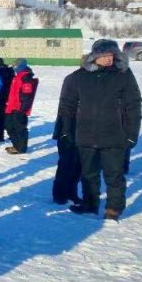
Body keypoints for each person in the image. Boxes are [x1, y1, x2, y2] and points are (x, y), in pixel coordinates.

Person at [57, 39, 142, 221]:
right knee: (88, 175)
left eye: (111, 55)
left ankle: (113, 208)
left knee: (114, 175)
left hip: (114, 135)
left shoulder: (123, 75)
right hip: (86, 135)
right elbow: (67, 105)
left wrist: (132, 134)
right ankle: (90, 204)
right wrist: (66, 130)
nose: (108, 59)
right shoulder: (79, 77)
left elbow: (133, 105)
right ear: (95, 57)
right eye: (104, 55)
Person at [52, 56, 85, 204]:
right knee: (66, 163)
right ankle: (59, 194)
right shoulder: (73, 79)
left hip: (85, 129)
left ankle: (72, 192)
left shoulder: (95, 82)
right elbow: (65, 106)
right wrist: (65, 130)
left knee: (79, 165)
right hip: (69, 128)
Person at [4, 59, 38, 155]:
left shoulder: (26, 77)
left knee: (20, 128)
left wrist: (22, 109)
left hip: (19, 108)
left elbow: (27, 96)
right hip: (11, 106)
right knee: (9, 125)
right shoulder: (18, 76)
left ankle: (21, 148)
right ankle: (16, 145)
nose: (14, 67)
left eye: (16, 65)